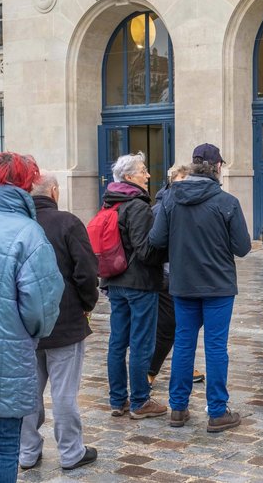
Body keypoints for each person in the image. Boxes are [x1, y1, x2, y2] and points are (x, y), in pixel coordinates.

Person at [150, 143, 251, 430]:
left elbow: (156, 240)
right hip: (217, 284)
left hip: (183, 283)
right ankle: (217, 411)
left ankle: (178, 408)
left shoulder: (170, 199)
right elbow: (243, 247)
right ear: (217, 167)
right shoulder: (227, 202)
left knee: (184, 343)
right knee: (216, 346)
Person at [0, 153, 64, 483]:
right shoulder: (28, 233)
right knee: (3, 447)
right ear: (26, 185)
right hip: (6, 355)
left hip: (5, 349)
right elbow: (41, 309)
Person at [20, 174, 99, 471]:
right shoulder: (67, 222)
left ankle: (27, 451)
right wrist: (87, 304)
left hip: (26, 321)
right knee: (64, 392)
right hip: (65, 319)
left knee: (29, 391)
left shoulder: (21, 224)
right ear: (54, 191)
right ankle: (70, 451)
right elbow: (86, 272)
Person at [102, 152, 167, 420]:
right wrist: (164, 252)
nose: (148, 175)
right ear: (129, 177)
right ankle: (140, 400)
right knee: (141, 343)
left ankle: (118, 399)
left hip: (114, 280)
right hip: (139, 283)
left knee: (117, 342)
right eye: (143, 170)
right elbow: (145, 250)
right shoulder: (138, 206)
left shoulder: (110, 203)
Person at [147, 165, 205, 388]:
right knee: (168, 328)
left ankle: (185, 367)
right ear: (172, 182)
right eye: (182, 180)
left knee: (186, 326)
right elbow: (155, 243)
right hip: (167, 275)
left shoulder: (187, 205)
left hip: (186, 275)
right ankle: (149, 372)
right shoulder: (161, 207)